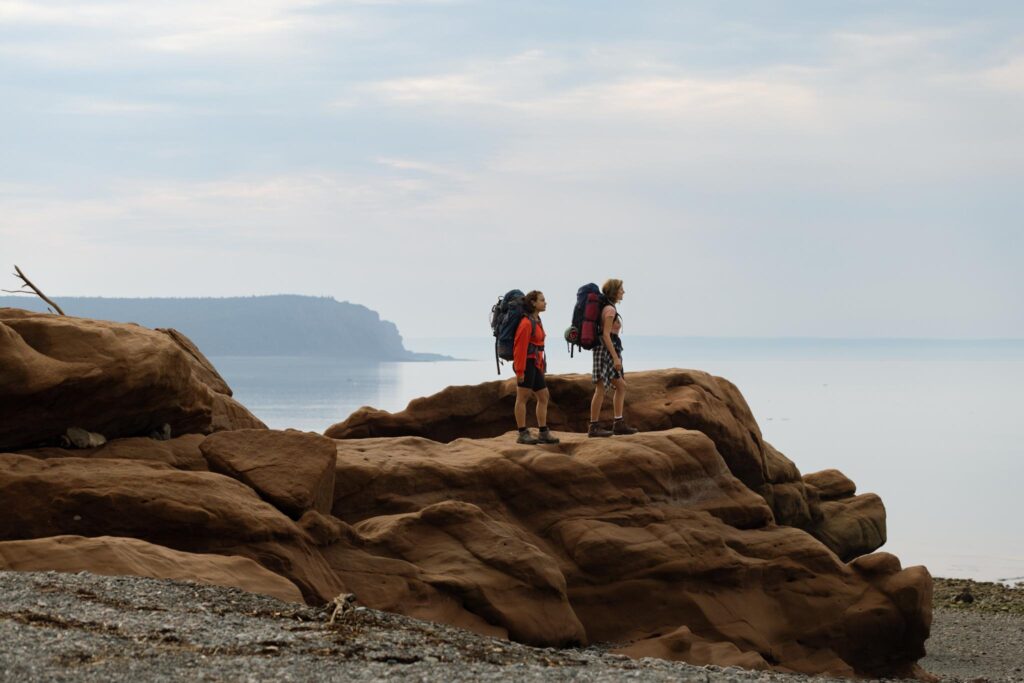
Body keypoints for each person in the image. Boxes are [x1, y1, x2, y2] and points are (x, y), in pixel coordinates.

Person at [589, 278, 638, 437]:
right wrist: (615, 357)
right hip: (606, 351)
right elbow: (606, 335)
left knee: (621, 386)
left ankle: (618, 423)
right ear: (614, 291)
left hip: (606, 350)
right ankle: (594, 426)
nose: (623, 292)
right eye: (621, 289)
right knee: (601, 388)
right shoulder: (609, 310)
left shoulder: (608, 308)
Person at [513, 291, 559, 445]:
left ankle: (543, 432)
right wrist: (520, 371)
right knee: (522, 398)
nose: (545, 303)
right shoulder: (526, 323)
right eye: (542, 300)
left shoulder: (536, 320)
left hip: (536, 363)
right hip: (527, 363)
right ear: (533, 303)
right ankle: (522, 433)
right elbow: (519, 348)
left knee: (543, 396)